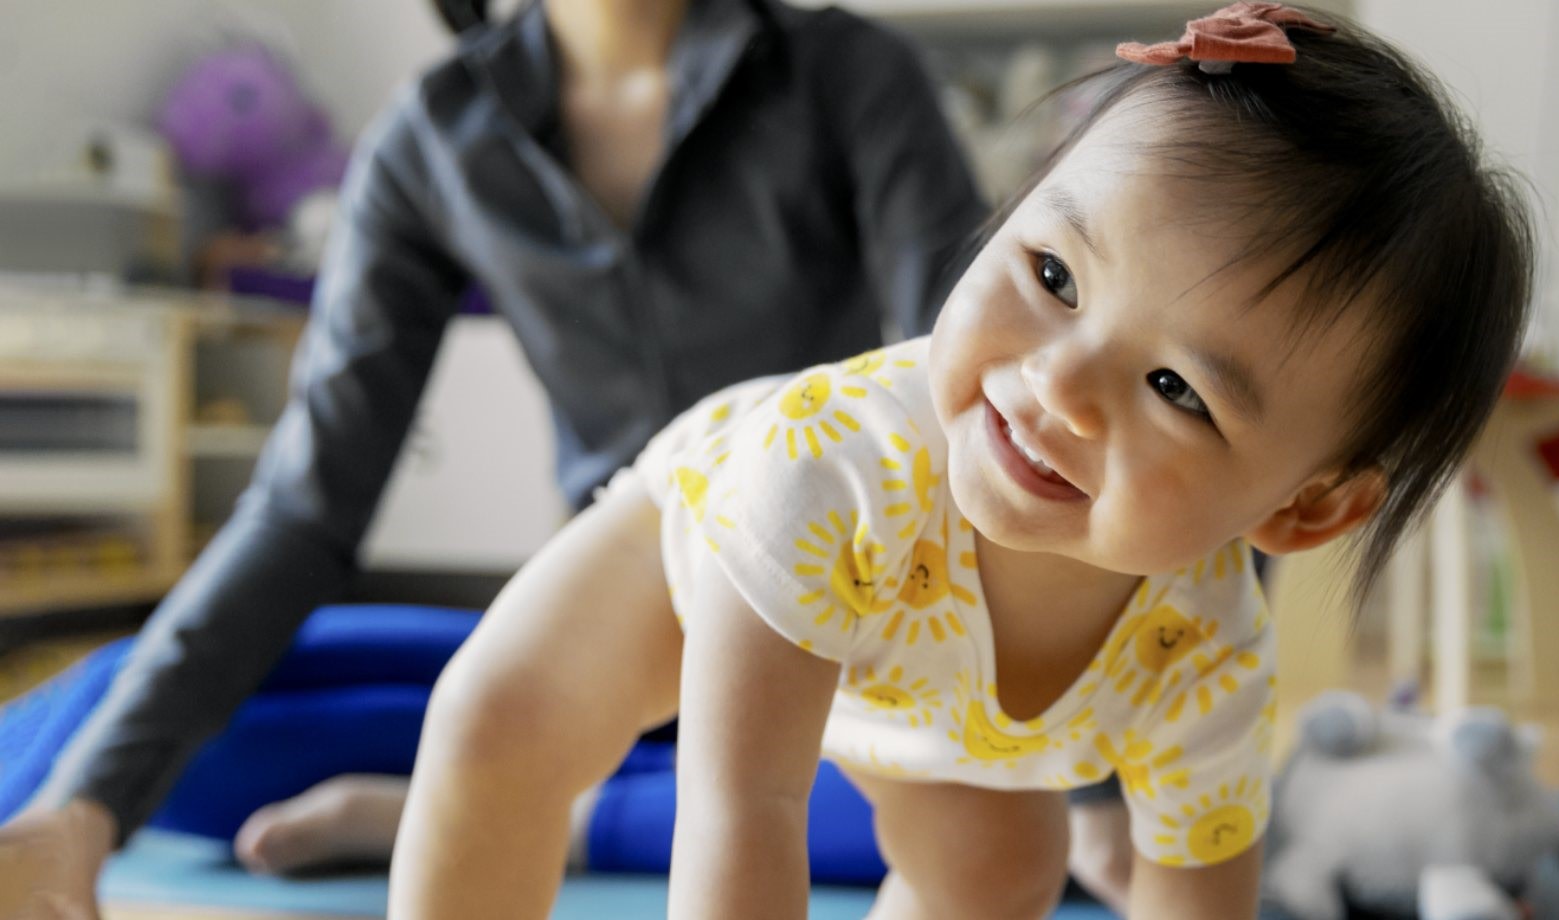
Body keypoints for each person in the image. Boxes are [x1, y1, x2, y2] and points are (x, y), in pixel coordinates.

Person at [391, 4, 1534, 918]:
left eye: (1176, 390)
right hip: (709, 556)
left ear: (1307, 506)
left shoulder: (1206, 658)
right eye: (1051, 274)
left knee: (995, 873)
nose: (1058, 390)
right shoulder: (823, 472)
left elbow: (1201, 894)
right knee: (498, 722)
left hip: (923, 690)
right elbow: (742, 815)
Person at [0, 0, 985, 912]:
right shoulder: (432, 135)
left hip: (848, 662)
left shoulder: (849, 75)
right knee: (134, 713)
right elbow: (304, 507)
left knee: (998, 824)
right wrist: (83, 810)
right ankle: (50, 826)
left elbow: (954, 406)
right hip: (615, 644)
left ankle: (556, 816)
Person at [0, 605, 886, 881]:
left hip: (870, 717)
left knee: (200, 760)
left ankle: (498, 812)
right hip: (682, 600)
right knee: (136, 676)